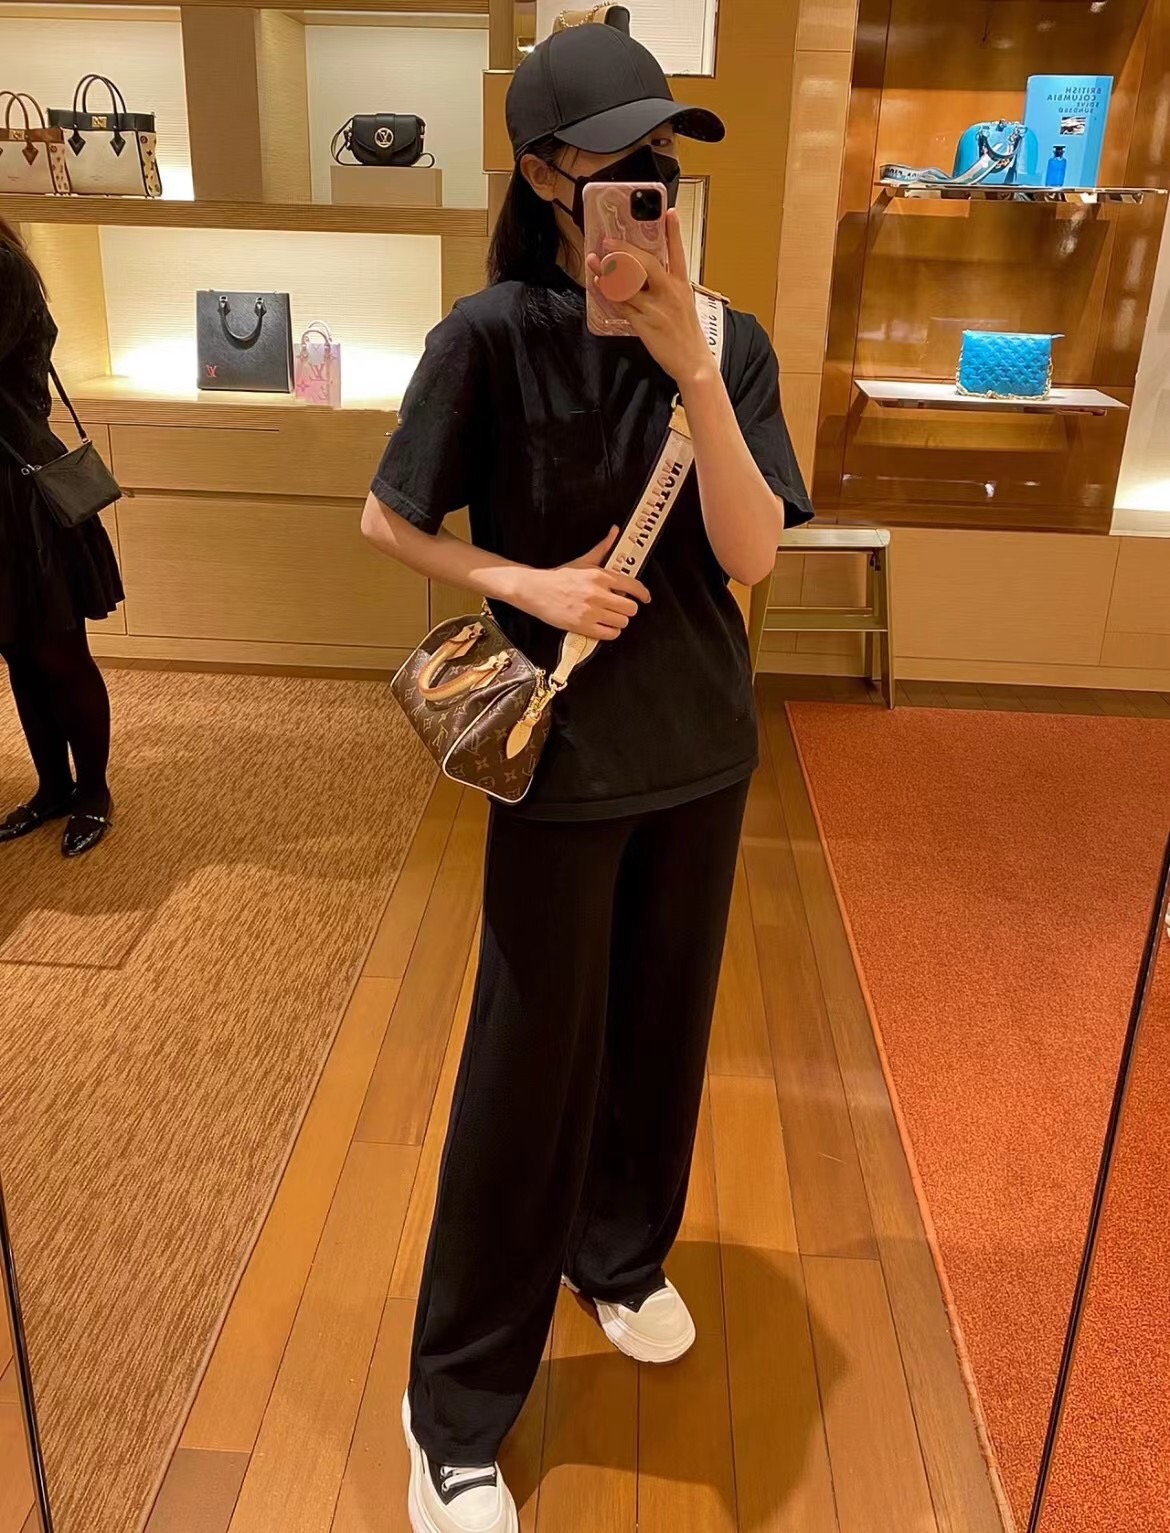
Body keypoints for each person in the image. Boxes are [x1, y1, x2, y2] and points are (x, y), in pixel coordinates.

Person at [361, 25, 813, 1533]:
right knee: (526, 1072)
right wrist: (525, 584)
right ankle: (452, 1411)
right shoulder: (486, 336)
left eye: (663, 162)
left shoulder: (729, 340)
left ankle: (615, 1255)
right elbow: (388, 519)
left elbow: (750, 555)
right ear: (549, 177)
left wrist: (694, 372)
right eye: (620, 163)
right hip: (559, 762)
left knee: (662, 1034)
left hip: (701, 750)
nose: (649, 187)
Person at [0, 218, 121, 858]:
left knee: (59, 651)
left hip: (23, 494)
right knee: (18, 652)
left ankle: (93, 792)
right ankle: (52, 787)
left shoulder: (4, 268)